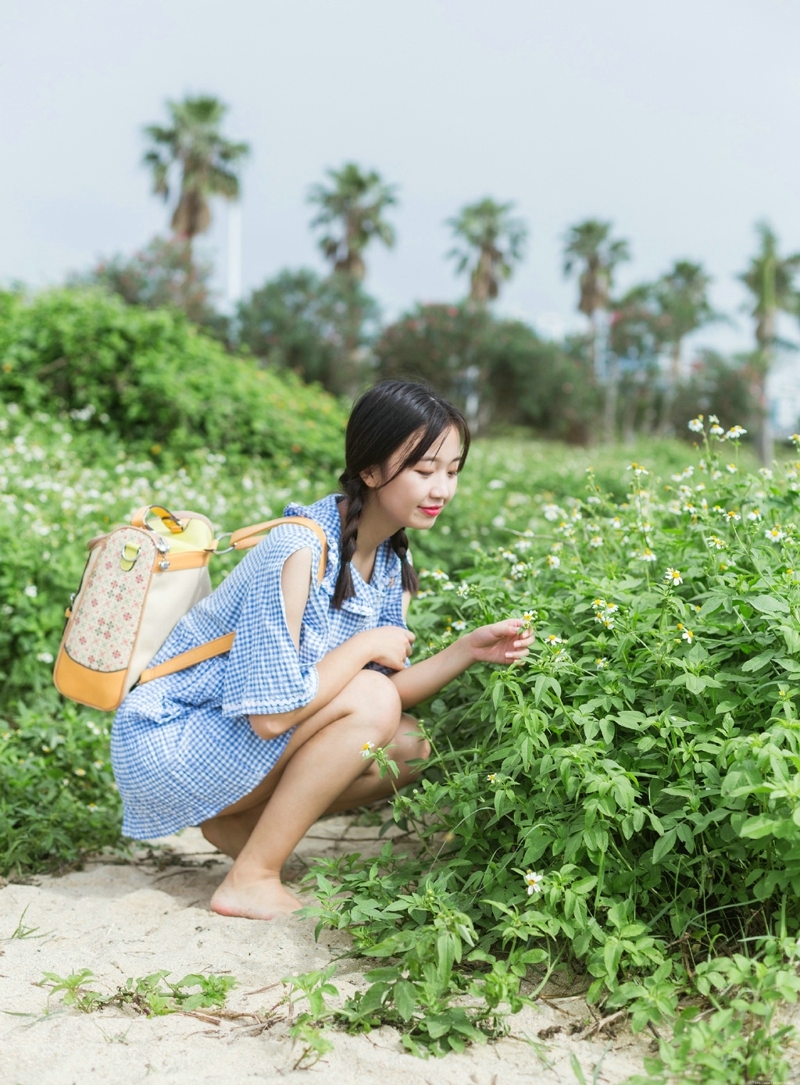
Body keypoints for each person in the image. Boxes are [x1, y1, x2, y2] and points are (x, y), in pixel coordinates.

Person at [110, 381, 533, 920]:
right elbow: (270, 718)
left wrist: (466, 650)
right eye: (425, 470)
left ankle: (242, 829)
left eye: (452, 471)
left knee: (409, 745)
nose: (442, 489)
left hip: (229, 736)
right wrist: (363, 646)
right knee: (375, 704)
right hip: (170, 739)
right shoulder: (300, 549)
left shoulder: (391, 561)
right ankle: (251, 878)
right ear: (371, 471)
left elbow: (380, 692)